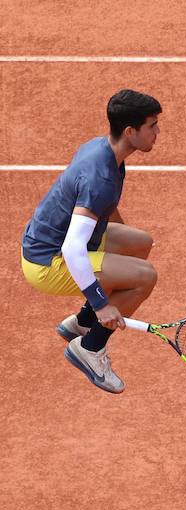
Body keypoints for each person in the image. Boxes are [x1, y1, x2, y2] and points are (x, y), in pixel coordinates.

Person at [20, 89, 162, 394]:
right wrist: (101, 304)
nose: (157, 132)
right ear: (130, 131)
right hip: (47, 263)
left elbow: (101, 206)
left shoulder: (100, 149)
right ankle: (91, 347)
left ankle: (81, 323)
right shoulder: (102, 179)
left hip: (49, 240)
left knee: (140, 243)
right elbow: (73, 248)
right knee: (145, 277)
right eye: (151, 126)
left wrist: (122, 252)